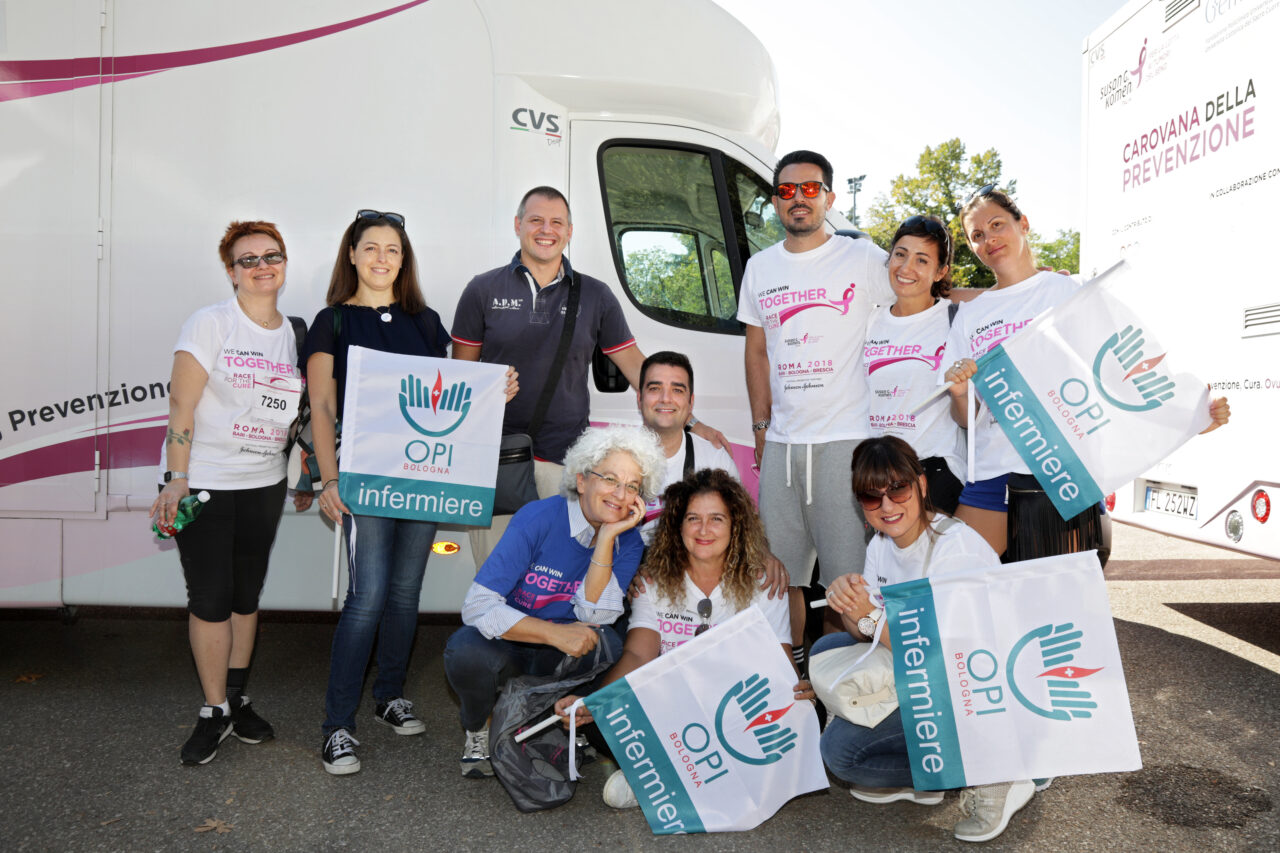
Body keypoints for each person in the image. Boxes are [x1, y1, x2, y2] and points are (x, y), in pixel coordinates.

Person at [307, 210, 502, 776]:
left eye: (393, 250)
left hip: (423, 478)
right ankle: (336, 727)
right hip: (364, 479)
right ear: (352, 255)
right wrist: (328, 479)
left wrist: (494, 388)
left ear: (403, 259)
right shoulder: (332, 321)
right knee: (366, 597)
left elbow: (447, 398)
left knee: (405, 592)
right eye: (371, 248)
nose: (382, 258)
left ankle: (389, 694)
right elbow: (322, 406)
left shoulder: (425, 321)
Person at [941, 187, 1231, 559]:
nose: (989, 239)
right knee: (958, 583)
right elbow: (965, 418)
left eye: (997, 224)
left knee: (1056, 602)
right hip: (992, 472)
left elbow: (1122, 368)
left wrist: (1191, 414)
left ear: (1023, 224)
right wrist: (960, 393)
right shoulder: (971, 315)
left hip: (1063, 473)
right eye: (977, 236)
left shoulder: (1072, 290)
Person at [452, 187, 725, 565]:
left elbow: (636, 367)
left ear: (569, 231)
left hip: (566, 463)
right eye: (535, 220)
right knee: (497, 574)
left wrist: (692, 422)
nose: (546, 230)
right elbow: (460, 379)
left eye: (556, 222)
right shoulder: (482, 290)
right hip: (495, 457)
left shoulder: (596, 295)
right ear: (518, 225)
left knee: (555, 575)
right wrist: (486, 388)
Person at [554, 468, 814, 809]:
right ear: (677, 526)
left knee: (806, 713)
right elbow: (638, 656)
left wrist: (799, 695)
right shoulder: (655, 581)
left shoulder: (764, 582)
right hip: (673, 709)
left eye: (717, 519)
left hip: (733, 711)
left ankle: (657, 777)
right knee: (601, 716)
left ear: (736, 526)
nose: (704, 530)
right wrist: (594, 702)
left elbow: (777, 668)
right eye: (693, 518)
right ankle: (689, 779)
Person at [818, 436, 1032, 843]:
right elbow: (865, 633)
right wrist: (850, 604)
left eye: (897, 488)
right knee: (828, 651)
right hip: (931, 678)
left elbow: (939, 653)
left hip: (979, 693)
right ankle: (928, 780)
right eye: (870, 496)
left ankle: (1000, 774)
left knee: (841, 753)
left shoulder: (956, 550)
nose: (886, 506)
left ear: (921, 484)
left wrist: (867, 615)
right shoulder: (882, 542)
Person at [152, 220, 304, 765]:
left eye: (272, 256)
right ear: (231, 270)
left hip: (265, 484)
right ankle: (213, 710)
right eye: (248, 259)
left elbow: (293, 416)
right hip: (208, 483)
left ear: (284, 264)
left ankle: (236, 698)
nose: (262, 266)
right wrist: (176, 478)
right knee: (211, 600)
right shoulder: (210, 324)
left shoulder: (294, 333)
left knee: (245, 597)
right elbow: (181, 408)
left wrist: (303, 473)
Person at [739, 150, 895, 658]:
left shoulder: (865, 259)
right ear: (775, 202)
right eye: (786, 191)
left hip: (845, 442)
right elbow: (757, 351)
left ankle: (839, 687)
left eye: (809, 189)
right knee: (776, 580)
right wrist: (762, 429)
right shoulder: (760, 268)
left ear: (828, 196)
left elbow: (921, 296)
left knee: (848, 584)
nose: (798, 199)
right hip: (783, 446)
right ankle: (789, 687)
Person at [442, 425, 666, 778]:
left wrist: (606, 537)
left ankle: (556, 721)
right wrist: (552, 633)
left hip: (565, 649)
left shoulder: (628, 541)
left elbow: (595, 615)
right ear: (581, 481)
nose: (620, 494)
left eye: (632, 486)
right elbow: (478, 605)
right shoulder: (538, 517)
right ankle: (478, 725)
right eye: (610, 479)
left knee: (605, 642)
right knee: (465, 653)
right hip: (515, 638)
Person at [635, 350, 788, 596]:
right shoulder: (616, 456)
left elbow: (742, 525)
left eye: (677, 390)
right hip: (631, 573)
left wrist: (764, 555)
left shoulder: (713, 457)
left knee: (766, 576)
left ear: (691, 403)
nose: (666, 398)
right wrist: (626, 570)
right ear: (639, 397)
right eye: (655, 388)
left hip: (694, 569)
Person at [863, 215, 965, 513]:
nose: (906, 268)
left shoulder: (956, 321)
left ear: (940, 272)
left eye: (922, 260)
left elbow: (967, 417)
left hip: (934, 474)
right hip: (879, 476)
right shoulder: (869, 320)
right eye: (900, 254)